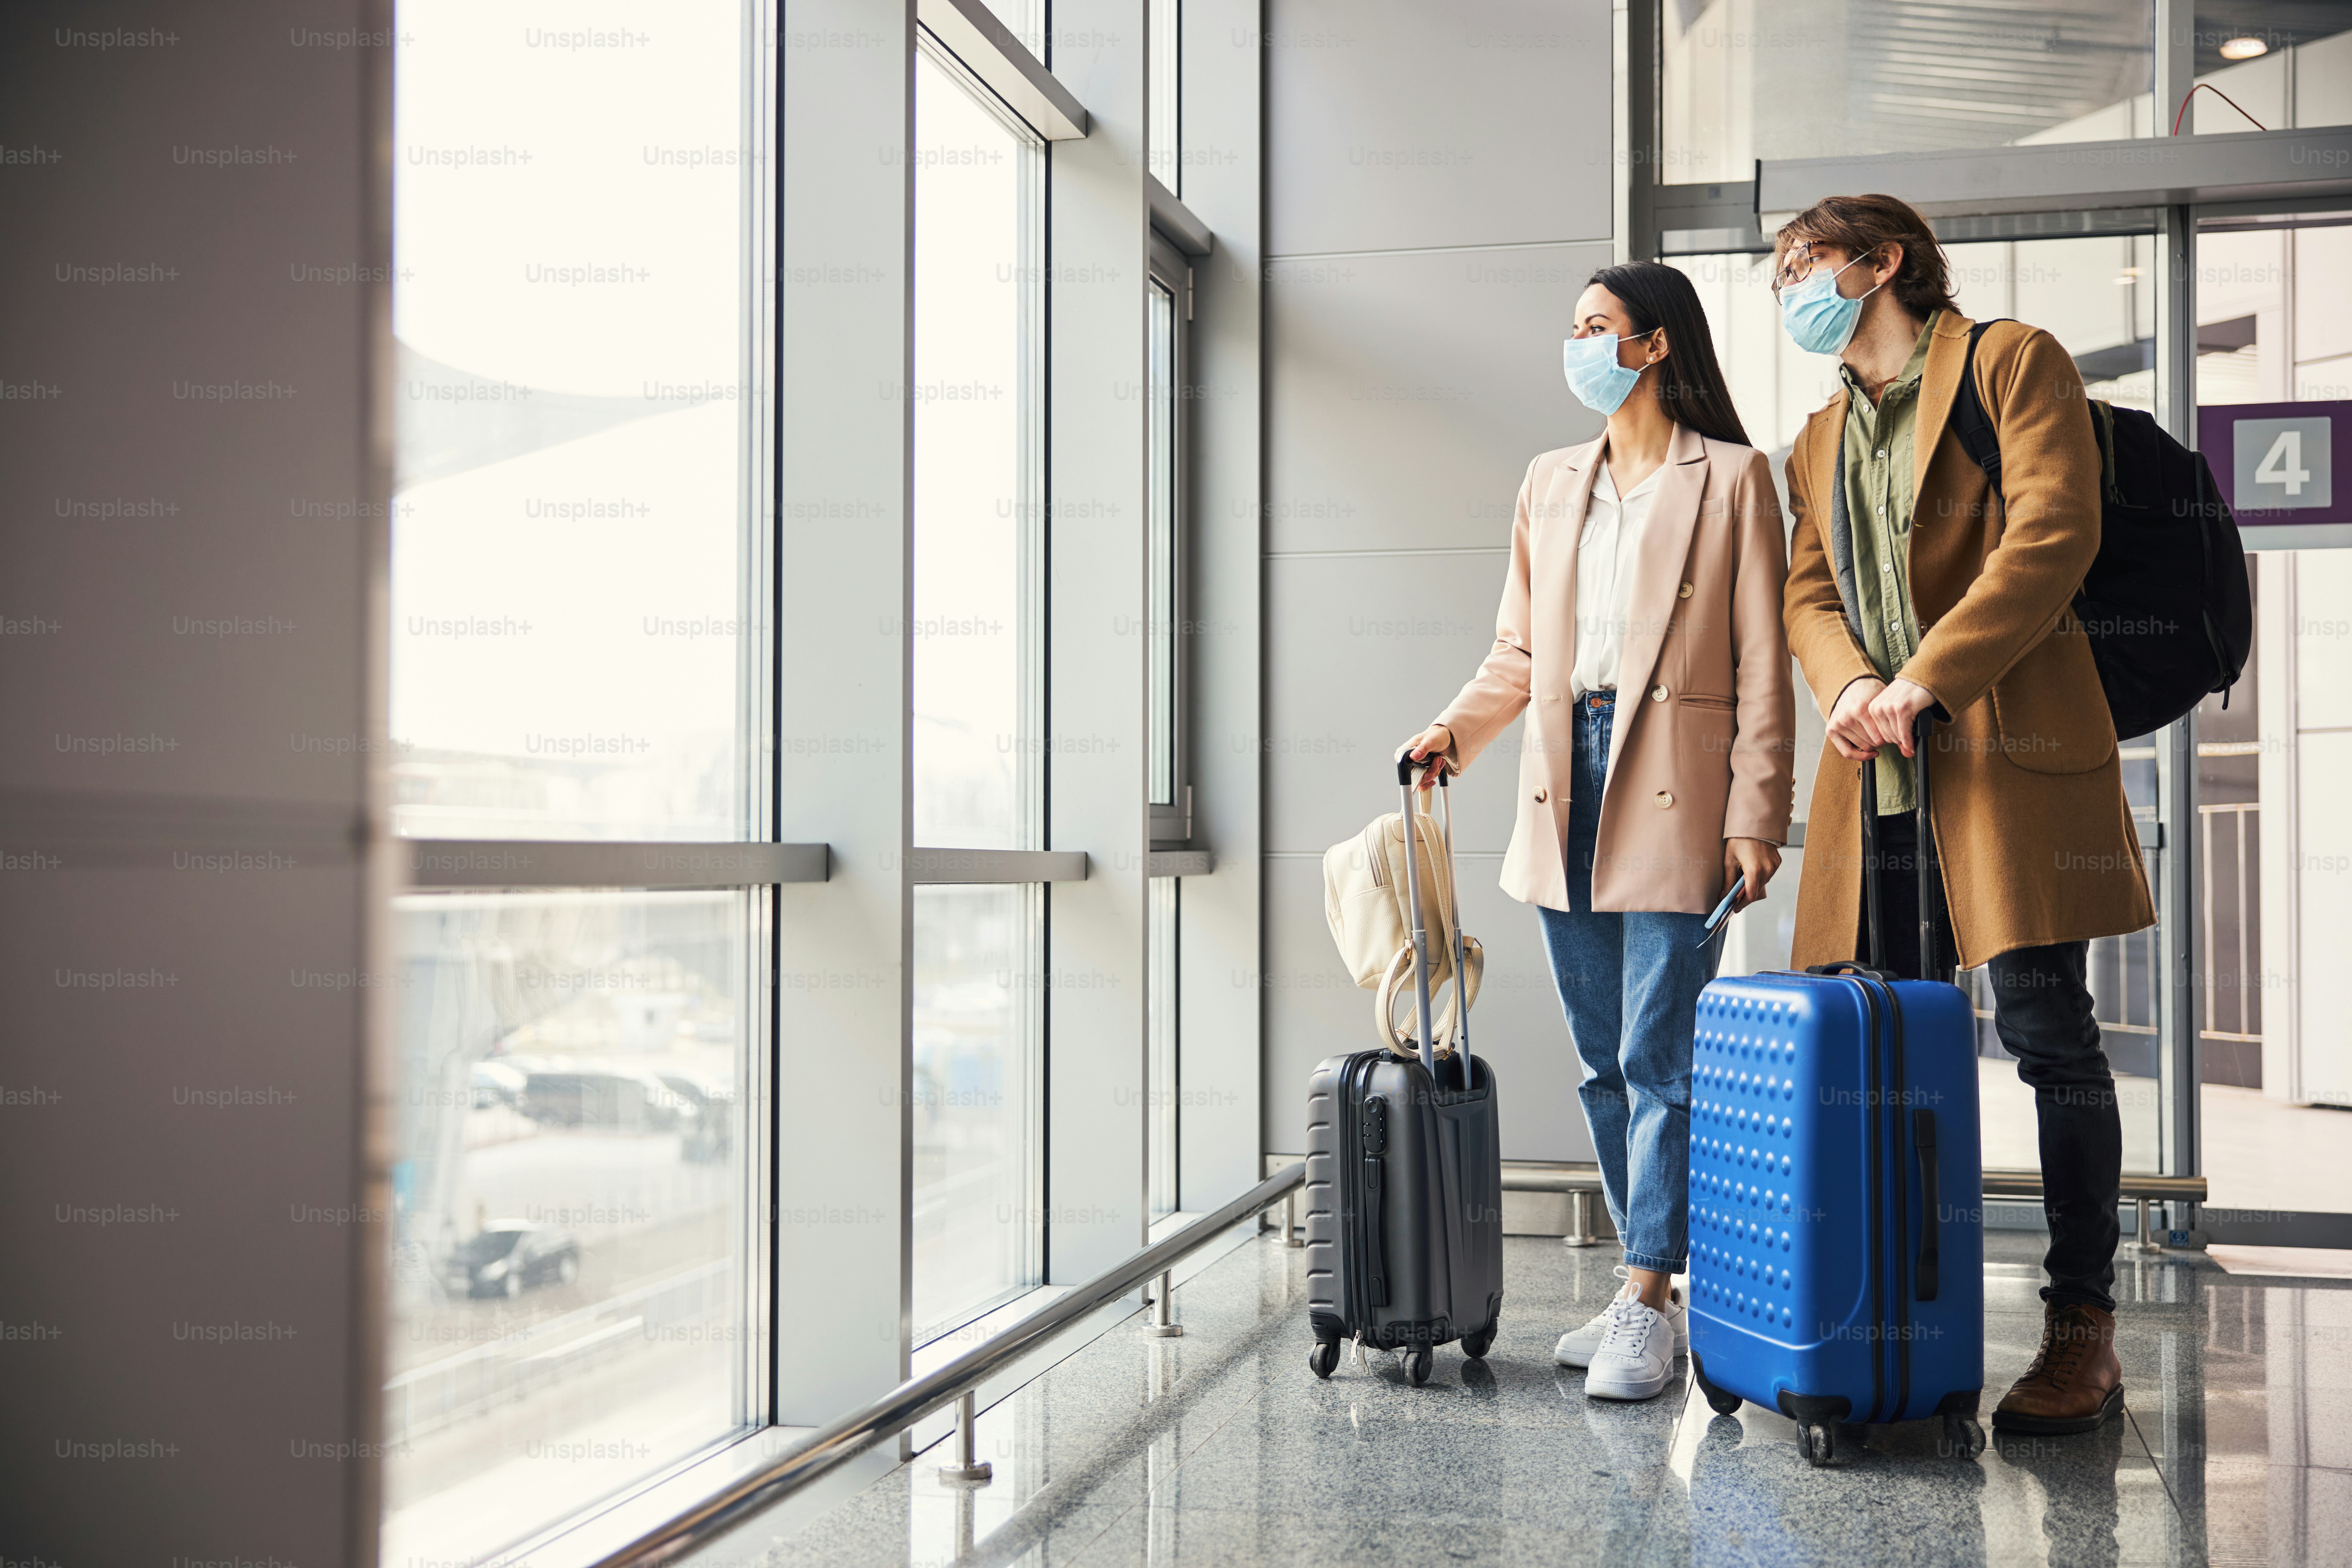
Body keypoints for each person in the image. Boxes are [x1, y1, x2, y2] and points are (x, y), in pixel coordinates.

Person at [1773, 194, 2156, 1435]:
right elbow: (1809, 592)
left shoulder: (2009, 360)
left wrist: (1929, 677)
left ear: (1885, 265)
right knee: (1890, 1055)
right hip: (1878, 774)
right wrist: (1848, 688)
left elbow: (2054, 531)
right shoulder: (1817, 438)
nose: (1793, 291)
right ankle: (1905, 1320)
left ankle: (2081, 1329)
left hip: (2006, 747)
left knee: (2048, 1033)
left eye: (1808, 265)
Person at [1399, 261, 1794, 1402]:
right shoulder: (1551, 481)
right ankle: (1651, 1293)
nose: (1576, 345)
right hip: (1562, 775)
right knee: (1598, 1064)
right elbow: (1519, 652)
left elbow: (1763, 661)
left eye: (1596, 327)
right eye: (1572, 327)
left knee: (1656, 1060)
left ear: (1656, 344)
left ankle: (1642, 1297)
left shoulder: (1730, 478)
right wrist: (1449, 733)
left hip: (1676, 776)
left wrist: (1757, 814)